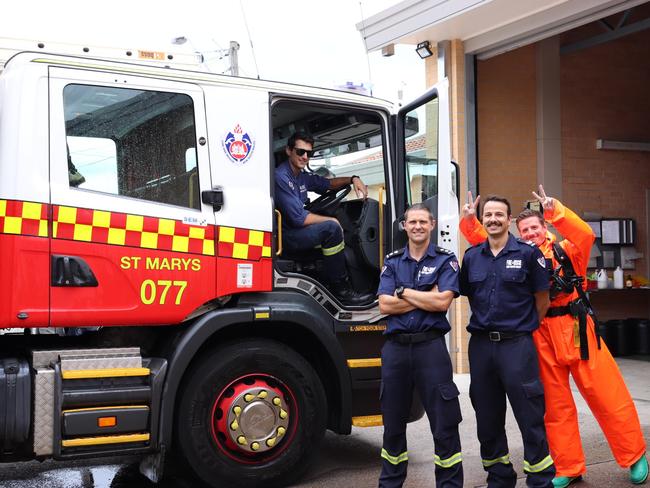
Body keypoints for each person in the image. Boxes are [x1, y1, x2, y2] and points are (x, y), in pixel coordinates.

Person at [460, 186, 648, 487]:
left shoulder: (568, 250)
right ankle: (568, 465)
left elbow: (585, 234)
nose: (531, 233)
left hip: (576, 329)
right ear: (518, 233)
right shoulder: (521, 254)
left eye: (535, 227)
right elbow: (487, 242)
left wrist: (555, 210)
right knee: (554, 404)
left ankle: (634, 454)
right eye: (525, 230)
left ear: (544, 227)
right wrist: (470, 221)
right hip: (540, 331)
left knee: (606, 395)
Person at [459, 195, 555, 488]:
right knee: (487, 418)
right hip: (482, 347)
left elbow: (543, 301)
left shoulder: (528, 254)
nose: (492, 219)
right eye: (488, 214)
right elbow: (469, 296)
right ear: (482, 219)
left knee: (530, 415)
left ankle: (540, 480)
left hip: (517, 346)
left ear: (509, 219)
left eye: (499, 214)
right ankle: (499, 478)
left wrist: (522, 329)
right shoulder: (472, 256)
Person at [376, 203, 463, 488]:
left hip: (431, 349)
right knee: (392, 423)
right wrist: (425, 294)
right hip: (396, 350)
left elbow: (442, 302)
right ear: (404, 226)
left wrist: (405, 292)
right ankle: (390, 483)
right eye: (412, 222)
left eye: (423, 222)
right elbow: (384, 304)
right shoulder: (392, 262)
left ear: (432, 225)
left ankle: (449, 484)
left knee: (444, 423)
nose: (417, 227)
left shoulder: (445, 260)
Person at [274, 131, 374, 305]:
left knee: (330, 225)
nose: (305, 157)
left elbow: (326, 184)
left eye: (309, 153)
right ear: (289, 151)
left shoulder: (301, 176)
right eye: (300, 152)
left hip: (297, 231)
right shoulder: (281, 177)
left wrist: (352, 179)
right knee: (332, 228)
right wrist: (331, 222)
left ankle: (328, 278)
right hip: (287, 236)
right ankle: (341, 290)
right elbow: (298, 218)